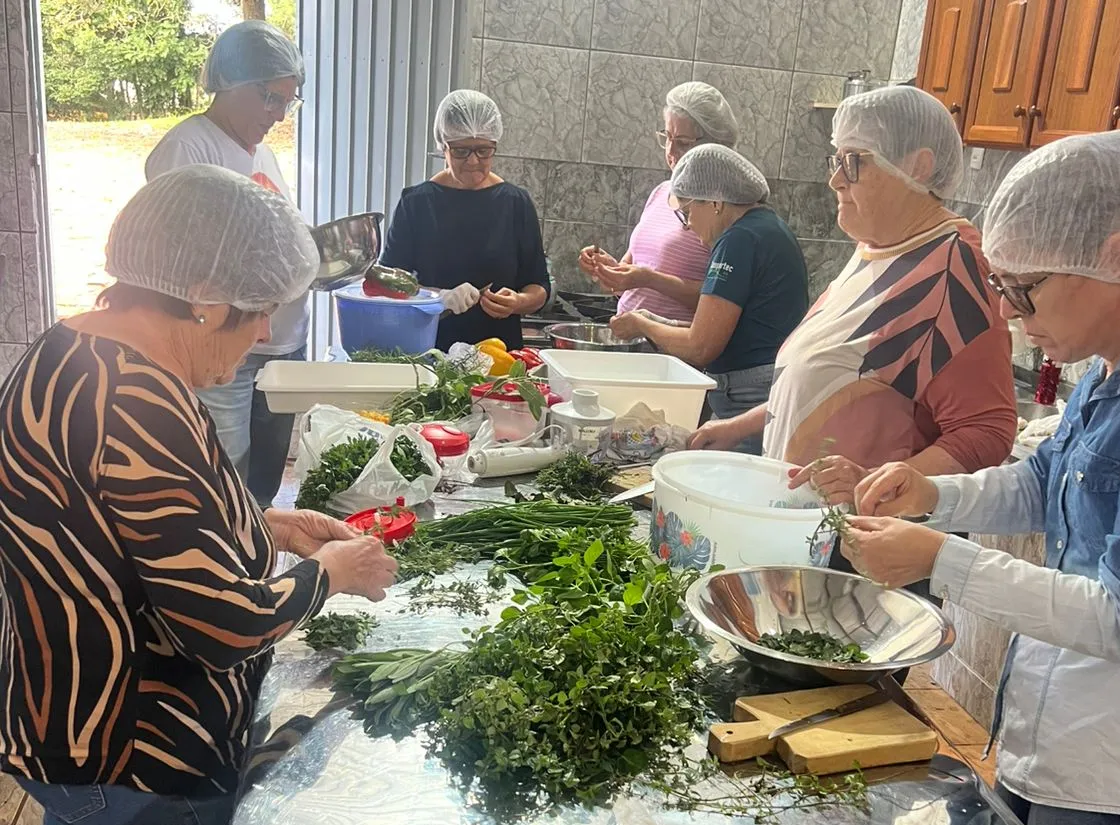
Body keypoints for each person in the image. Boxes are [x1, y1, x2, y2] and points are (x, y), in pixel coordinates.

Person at [0, 166, 398, 825]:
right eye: (260, 307)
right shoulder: (132, 402)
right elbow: (221, 625)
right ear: (205, 297)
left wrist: (269, 524)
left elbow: (134, 530)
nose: (265, 333)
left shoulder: (73, 347)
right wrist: (329, 573)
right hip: (135, 760)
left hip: (68, 735)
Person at [844, 127, 1120, 825]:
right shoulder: (1111, 363)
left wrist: (942, 559)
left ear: (1118, 259)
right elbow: (1042, 483)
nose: (1007, 311)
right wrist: (933, 496)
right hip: (1051, 744)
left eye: (1023, 289)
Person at [690, 86, 1015, 584]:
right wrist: (737, 427)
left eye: (854, 162)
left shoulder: (954, 267)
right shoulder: (878, 247)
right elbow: (832, 378)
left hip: (867, 546)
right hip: (809, 530)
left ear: (919, 167)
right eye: (835, 159)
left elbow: (987, 431)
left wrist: (874, 484)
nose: (834, 179)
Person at [144, 20, 309, 510]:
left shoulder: (263, 152)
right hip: (225, 351)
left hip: (280, 344)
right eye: (270, 99)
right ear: (231, 84)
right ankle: (230, 577)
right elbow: (180, 262)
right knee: (225, 472)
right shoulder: (188, 148)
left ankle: (254, 559)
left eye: (288, 101)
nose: (278, 115)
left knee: (263, 478)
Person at [609, 144, 809, 454]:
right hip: (762, 389)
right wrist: (653, 320)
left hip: (749, 396)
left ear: (715, 201)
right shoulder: (767, 227)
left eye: (687, 212)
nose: (687, 225)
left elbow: (700, 346)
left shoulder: (738, 239)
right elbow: (718, 326)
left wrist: (641, 325)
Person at [378, 89, 549, 352]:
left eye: (483, 150)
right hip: (429, 352)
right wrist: (439, 298)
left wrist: (518, 301)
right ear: (443, 147)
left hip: (499, 359)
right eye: (460, 151)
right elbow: (387, 282)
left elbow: (538, 285)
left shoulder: (515, 203)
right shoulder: (417, 203)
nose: (473, 161)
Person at [579, 81, 737, 323]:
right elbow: (628, 281)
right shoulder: (661, 192)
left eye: (683, 143)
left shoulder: (722, 209)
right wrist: (608, 269)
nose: (671, 150)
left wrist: (648, 279)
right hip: (630, 340)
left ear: (713, 145)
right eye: (667, 136)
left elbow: (719, 300)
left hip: (672, 352)